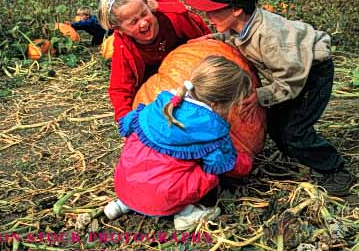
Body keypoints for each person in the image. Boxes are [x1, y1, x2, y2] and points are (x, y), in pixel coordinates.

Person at [184, 0, 354, 196]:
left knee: (295, 131)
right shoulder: (242, 24)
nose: (208, 17)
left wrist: (261, 96)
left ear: (236, 9)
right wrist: (211, 39)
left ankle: (336, 170)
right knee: (274, 122)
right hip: (291, 70)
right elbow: (233, 37)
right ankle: (294, 152)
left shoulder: (270, 38)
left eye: (213, 12)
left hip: (312, 73)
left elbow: (290, 81)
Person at [104, 56, 254, 230]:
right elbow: (226, 164)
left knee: (145, 159)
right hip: (161, 197)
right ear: (217, 105)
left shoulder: (160, 104)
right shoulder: (211, 130)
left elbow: (128, 126)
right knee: (211, 173)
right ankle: (187, 214)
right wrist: (247, 162)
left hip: (124, 184)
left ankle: (123, 204)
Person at [97, 0, 211, 122]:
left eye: (144, 14)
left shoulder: (172, 18)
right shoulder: (123, 47)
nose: (143, 23)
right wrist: (127, 121)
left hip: (196, 78)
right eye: (133, 22)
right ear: (119, 29)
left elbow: (205, 40)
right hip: (158, 95)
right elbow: (120, 88)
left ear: (149, 5)